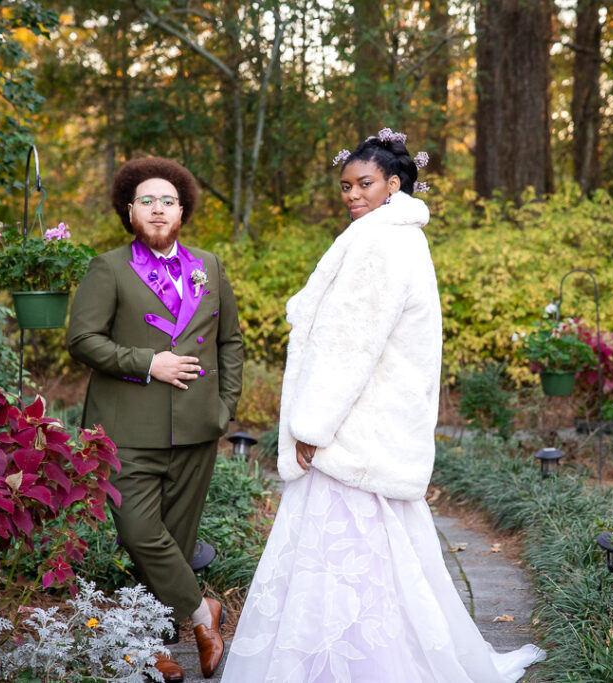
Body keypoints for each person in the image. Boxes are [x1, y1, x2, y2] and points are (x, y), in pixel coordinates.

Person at [221, 130, 544, 682]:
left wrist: (312, 425)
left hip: (353, 432)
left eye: (364, 184)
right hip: (374, 429)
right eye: (345, 185)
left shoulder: (378, 243)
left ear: (393, 185)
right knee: (380, 562)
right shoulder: (398, 238)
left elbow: (351, 346)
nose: (351, 195)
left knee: (345, 557)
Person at [68, 157, 244, 681]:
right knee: (141, 533)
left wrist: (224, 408)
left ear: (182, 210)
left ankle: (153, 648)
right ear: (130, 211)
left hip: (197, 429)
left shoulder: (209, 266)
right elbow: (82, 340)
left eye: (168, 200)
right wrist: (148, 363)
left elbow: (230, 341)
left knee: (175, 544)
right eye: (147, 200)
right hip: (126, 431)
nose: (158, 208)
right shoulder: (108, 268)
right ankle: (201, 614)